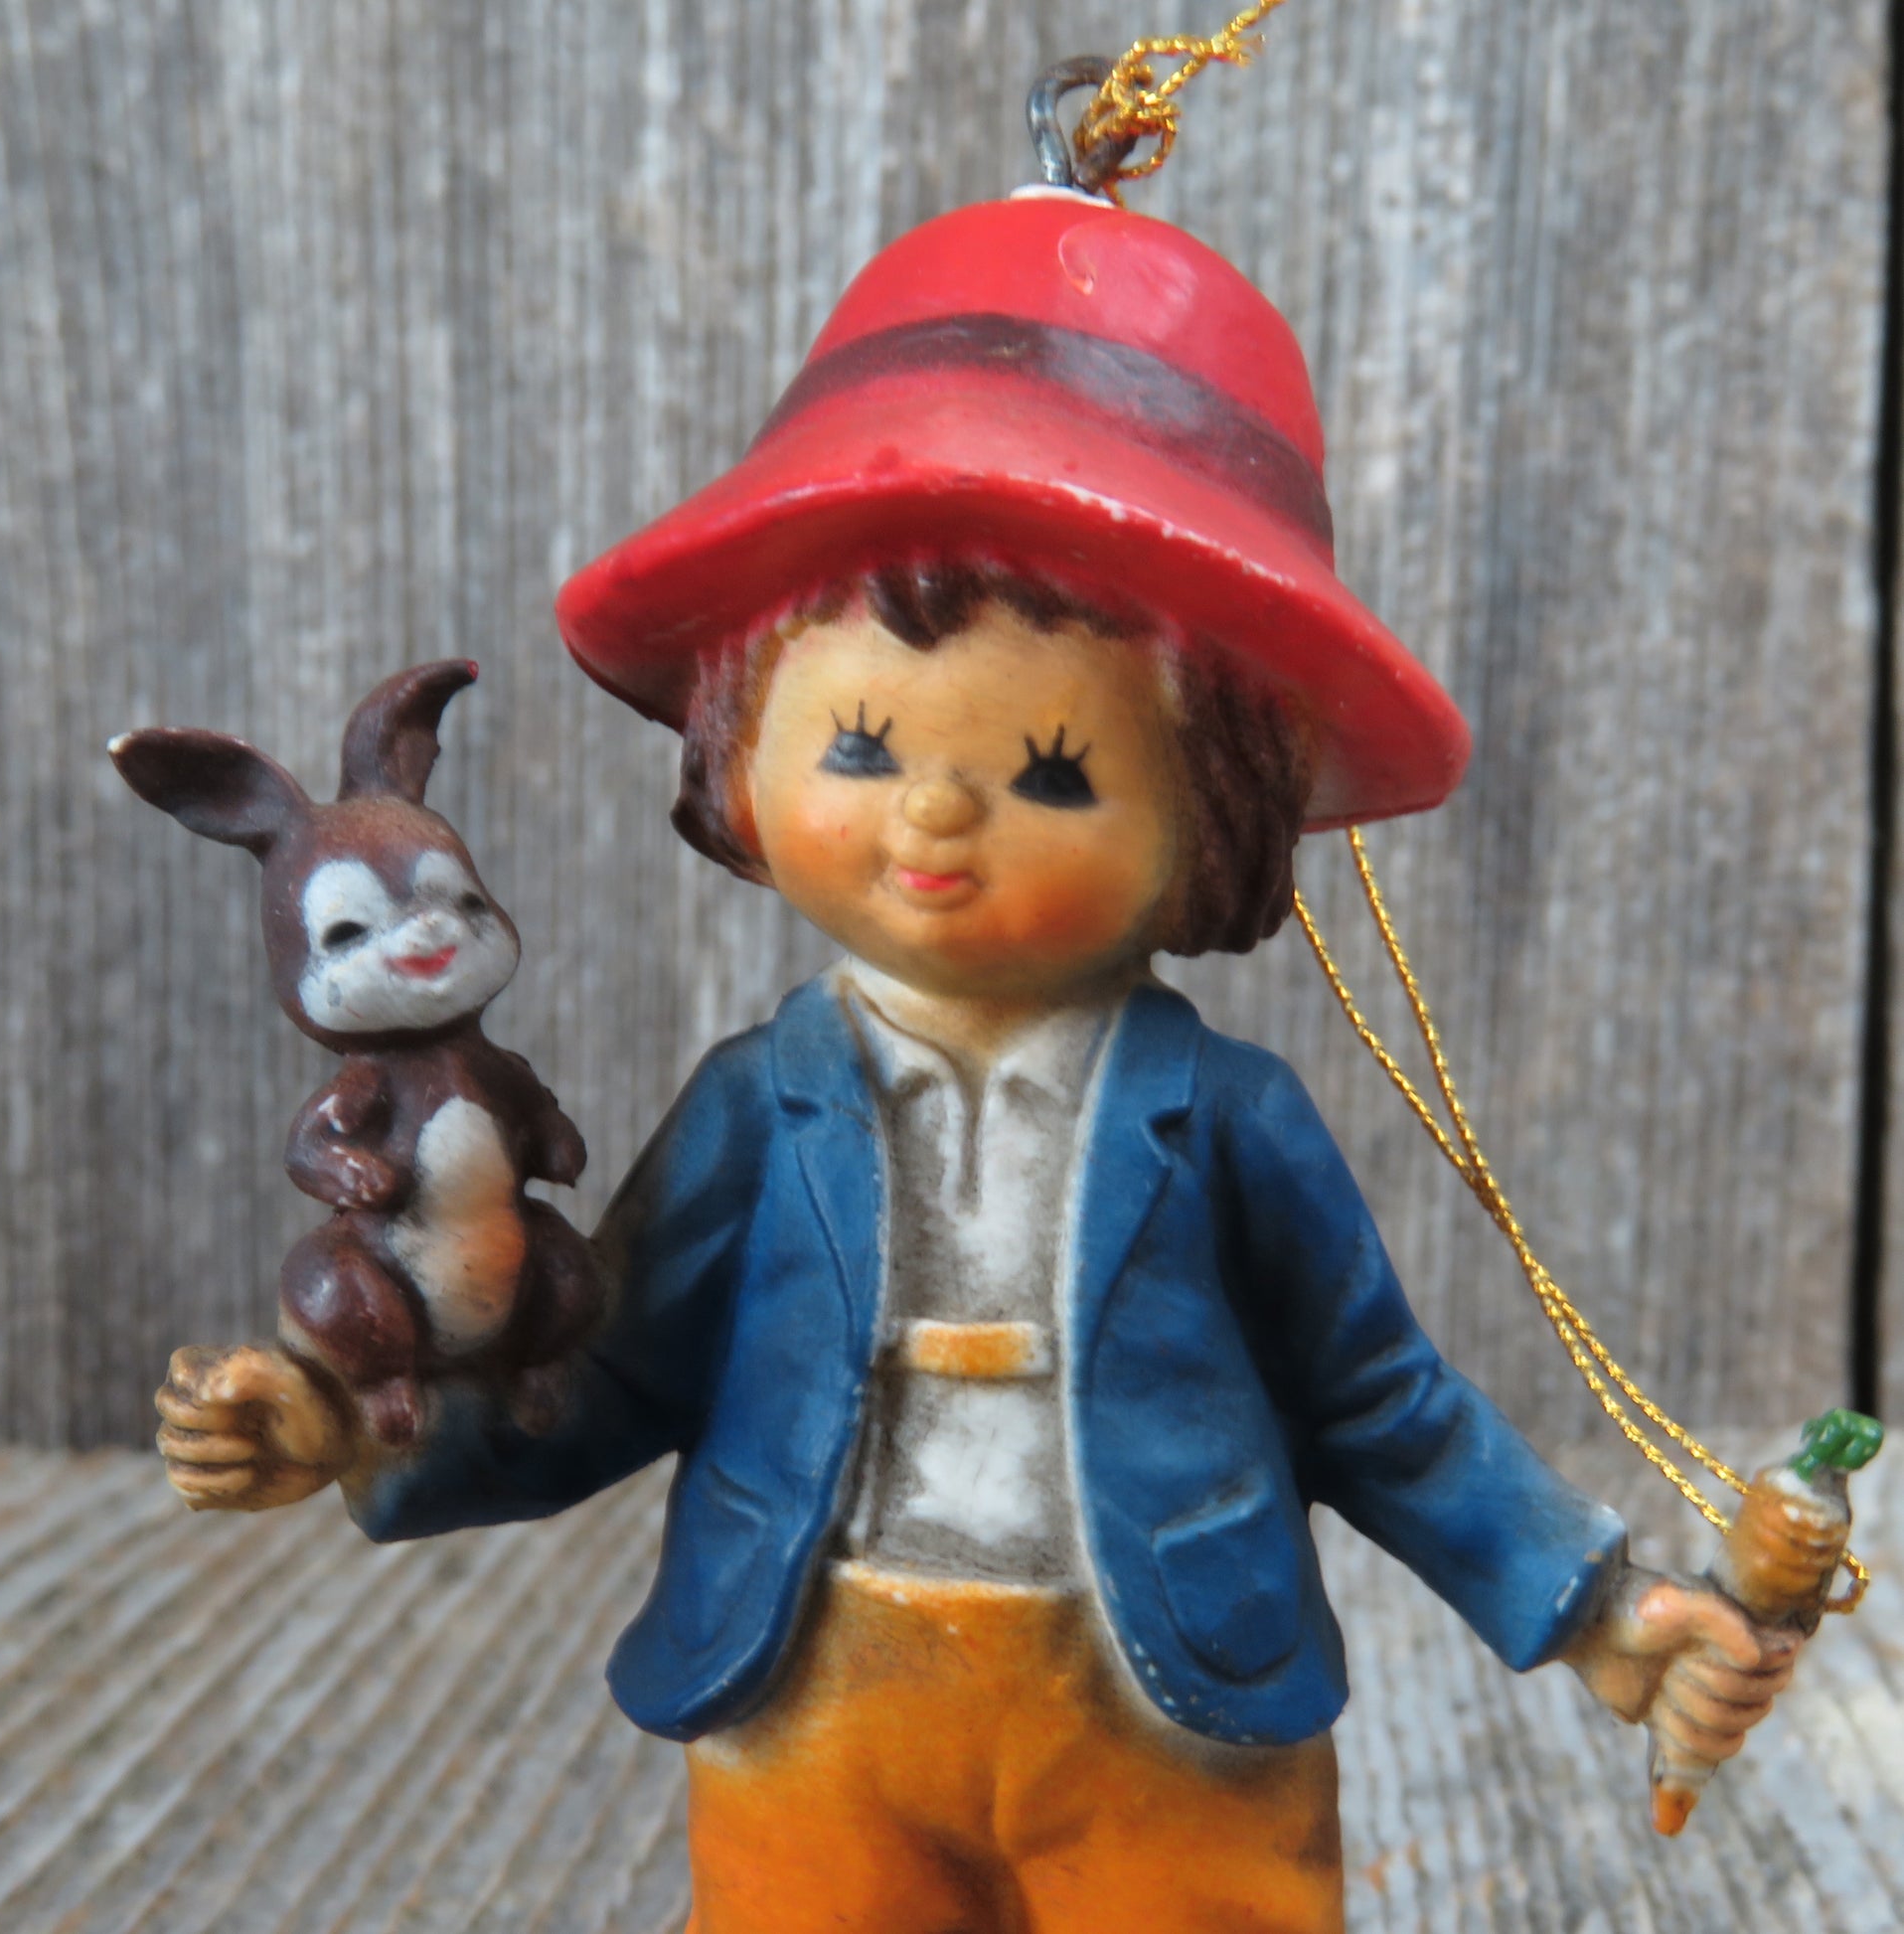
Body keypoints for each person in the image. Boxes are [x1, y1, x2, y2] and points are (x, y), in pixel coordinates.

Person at [154, 190, 1799, 1933]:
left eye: (1058, 769)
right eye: (860, 740)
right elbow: (616, 1364)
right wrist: (352, 1424)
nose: (934, 810)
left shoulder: (1223, 1118)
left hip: (1170, 1700)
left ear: (1216, 811)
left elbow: (1377, 1404)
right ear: (743, 738)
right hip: (815, 1681)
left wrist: (1597, 1607)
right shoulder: (757, 1105)